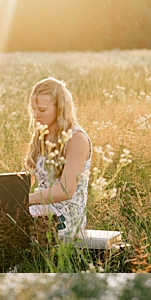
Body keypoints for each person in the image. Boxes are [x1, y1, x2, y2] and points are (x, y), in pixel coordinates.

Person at [25, 77, 92, 241]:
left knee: (13, 229)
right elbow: (28, 177)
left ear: (60, 108)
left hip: (67, 218)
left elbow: (65, 190)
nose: (35, 115)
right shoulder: (41, 135)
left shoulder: (77, 139)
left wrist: (26, 200)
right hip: (41, 209)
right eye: (33, 109)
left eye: (41, 110)